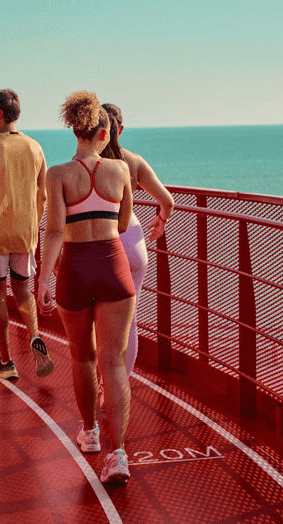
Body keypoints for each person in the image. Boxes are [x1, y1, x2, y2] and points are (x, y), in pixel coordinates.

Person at [36, 91, 135, 485]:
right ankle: (119, 456)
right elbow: (124, 223)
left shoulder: (58, 174)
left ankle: (90, 433)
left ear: (74, 130)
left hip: (75, 268)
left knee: (82, 357)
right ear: (103, 130)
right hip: (113, 265)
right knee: (114, 363)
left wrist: (44, 279)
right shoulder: (120, 172)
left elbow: (56, 230)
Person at [0, 88, 52, 380]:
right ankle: (35, 335)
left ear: (0, 114)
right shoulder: (36, 148)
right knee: (23, 290)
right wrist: (32, 225)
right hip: (26, 234)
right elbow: (43, 195)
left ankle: (6, 362)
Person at [101, 103, 175, 378]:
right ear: (120, 129)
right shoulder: (134, 162)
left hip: (103, 243)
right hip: (133, 240)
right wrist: (161, 221)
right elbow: (167, 201)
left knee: (100, 321)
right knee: (129, 322)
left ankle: (101, 385)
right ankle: (121, 385)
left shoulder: (90, 164)